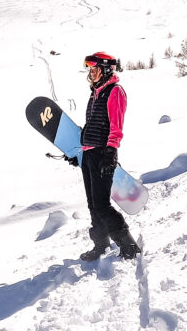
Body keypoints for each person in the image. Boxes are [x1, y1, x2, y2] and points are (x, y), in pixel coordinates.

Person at [72, 51, 141, 261]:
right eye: (90, 70)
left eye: (95, 69)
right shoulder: (95, 93)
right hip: (89, 154)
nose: (92, 73)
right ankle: (100, 245)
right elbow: (93, 125)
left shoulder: (115, 91)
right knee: (93, 204)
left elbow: (116, 126)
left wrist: (110, 152)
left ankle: (129, 245)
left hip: (103, 153)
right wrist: (79, 152)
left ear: (106, 69)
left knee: (102, 205)